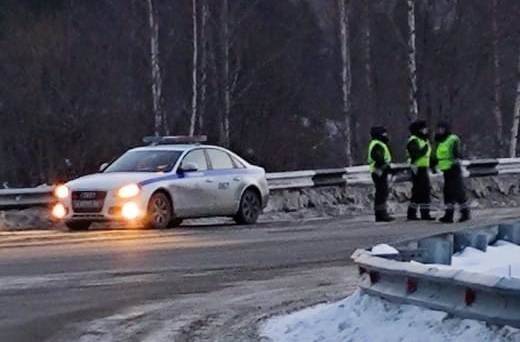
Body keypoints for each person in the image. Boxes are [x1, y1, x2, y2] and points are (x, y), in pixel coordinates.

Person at [433, 121, 470, 223]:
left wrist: (455, 162)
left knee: (457, 192)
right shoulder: (441, 141)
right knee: (448, 193)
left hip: (453, 169)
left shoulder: (452, 139)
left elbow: (457, 153)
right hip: (446, 170)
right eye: (438, 129)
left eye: (441, 129)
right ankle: (448, 215)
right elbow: (439, 155)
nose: (439, 131)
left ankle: (465, 213)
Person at [406, 120, 435, 221]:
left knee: (424, 191)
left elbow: (428, 156)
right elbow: (415, 155)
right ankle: (413, 213)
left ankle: (424, 213)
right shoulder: (413, 140)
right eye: (424, 128)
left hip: (424, 168)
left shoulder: (424, 140)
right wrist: (424, 150)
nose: (426, 130)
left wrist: (433, 164)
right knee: (419, 191)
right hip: (417, 169)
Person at [368, 126, 395, 222]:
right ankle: (381, 214)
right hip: (378, 171)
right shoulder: (377, 144)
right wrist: (384, 166)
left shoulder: (378, 144)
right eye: (384, 133)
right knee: (381, 192)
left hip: (379, 170)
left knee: (382, 192)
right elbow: (377, 157)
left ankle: (381, 213)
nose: (386, 135)